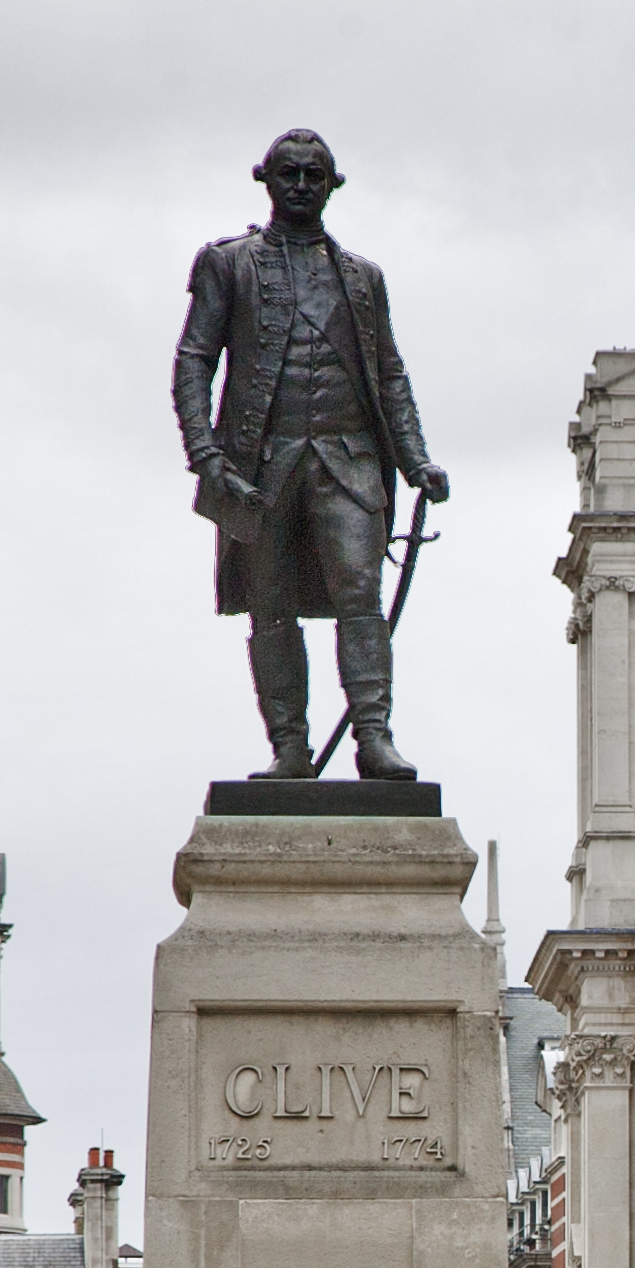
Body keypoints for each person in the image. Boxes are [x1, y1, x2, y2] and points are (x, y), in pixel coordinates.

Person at [171, 127, 452, 783]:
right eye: (289, 174)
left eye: (313, 175)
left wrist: (416, 461)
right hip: (259, 465)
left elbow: (389, 375)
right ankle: (289, 747)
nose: (301, 186)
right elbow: (194, 360)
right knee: (270, 606)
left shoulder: (362, 278)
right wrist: (206, 455)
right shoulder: (227, 264)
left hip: (347, 461)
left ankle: (374, 738)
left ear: (333, 184)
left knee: (361, 595)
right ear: (265, 180)